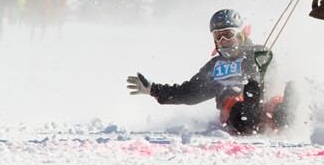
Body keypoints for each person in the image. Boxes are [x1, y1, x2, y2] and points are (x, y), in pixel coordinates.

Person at [126, 9, 297, 134]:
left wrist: (257, 75)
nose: (223, 41)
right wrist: (153, 90)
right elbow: (189, 93)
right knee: (239, 108)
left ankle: (288, 106)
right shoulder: (215, 67)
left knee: (276, 107)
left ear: (240, 34)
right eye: (218, 36)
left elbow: (273, 76)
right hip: (234, 113)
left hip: (265, 104)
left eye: (228, 34)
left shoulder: (258, 53)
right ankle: (249, 107)